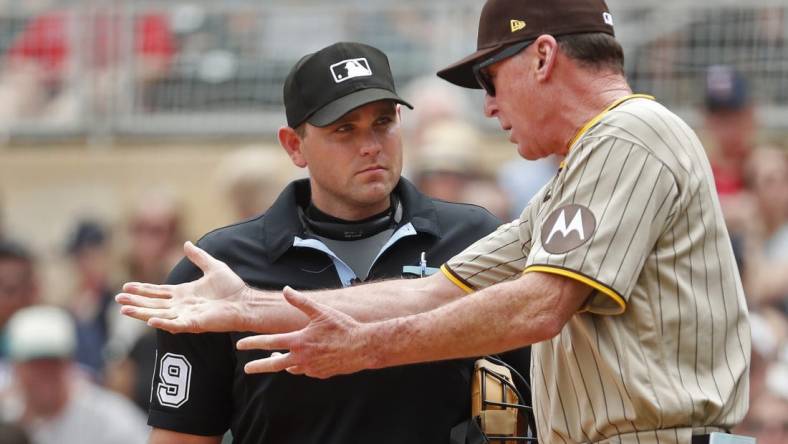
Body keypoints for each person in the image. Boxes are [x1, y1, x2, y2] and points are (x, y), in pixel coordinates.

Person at [117, 1, 752, 442]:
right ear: (295, 144)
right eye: (343, 129)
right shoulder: (583, 167)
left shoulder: (630, 134)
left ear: (543, 57)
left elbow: (537, 308)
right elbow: (437, 289)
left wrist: (364, 351)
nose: (490, 104)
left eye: (490, 76)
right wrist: (249, 307)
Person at [124, 41, 524, 444]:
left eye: (383, 122)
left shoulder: (475, 238)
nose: (370, 145)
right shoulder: (217, 269)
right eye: (344, 129)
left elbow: (538, 402)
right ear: (294, 146)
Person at [0, 305, 149, 444]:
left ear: (69, 364)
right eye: (34, 365)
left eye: (53, 363)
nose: (44, 374)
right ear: (16, 367)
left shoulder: (113, 420)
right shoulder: (7, 413)